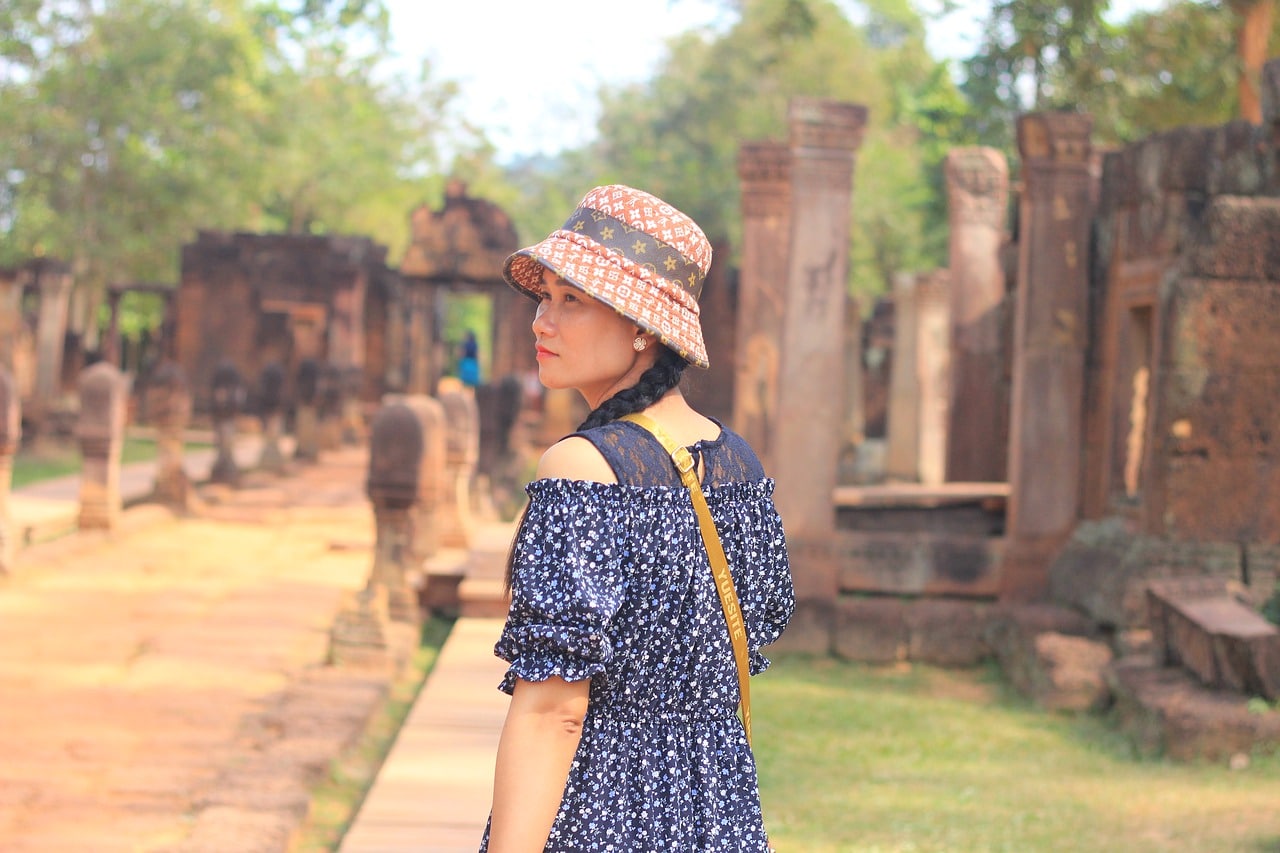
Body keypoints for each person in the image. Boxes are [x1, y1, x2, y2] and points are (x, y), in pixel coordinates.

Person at [480, 184, 795, 852]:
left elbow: (553, 712)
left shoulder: (582, 468)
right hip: (720, 815)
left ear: (642, 325)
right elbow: (764, 620)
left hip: (602, 812)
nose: (542, 322)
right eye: (545, 297)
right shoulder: (739, 463)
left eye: (574, 302)